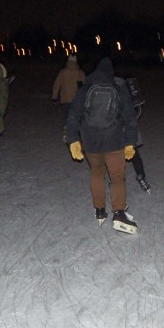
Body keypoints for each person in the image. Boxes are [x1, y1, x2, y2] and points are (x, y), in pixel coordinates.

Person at [65, 57, 140, 234]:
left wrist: (73, 140)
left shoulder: (85, 89)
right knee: (117, 177)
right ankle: (119, 213)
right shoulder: (118, 89)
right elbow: (130, 118)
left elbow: (73, 115)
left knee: (97, 173)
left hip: (91, 141)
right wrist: (130, 143)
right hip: (114, 140)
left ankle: (99, 211)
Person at [114, 74, 152, 194]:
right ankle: (141, 177)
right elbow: (138, 109)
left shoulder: (108, 88)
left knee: (115, 155)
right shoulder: (127, 87)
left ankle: (115, 181)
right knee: (134, 154)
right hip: (129, 128)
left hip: (116, 129)